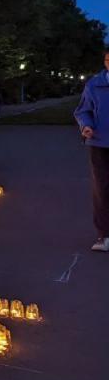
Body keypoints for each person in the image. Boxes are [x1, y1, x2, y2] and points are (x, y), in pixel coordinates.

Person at [74, 47, 109, 252]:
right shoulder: (94, 85)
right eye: (108, 60)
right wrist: (86, 125)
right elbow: (83, 110)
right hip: (99, 143)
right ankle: (104, 235)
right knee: (102, 190)